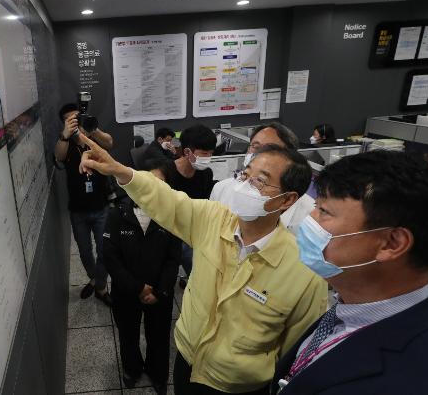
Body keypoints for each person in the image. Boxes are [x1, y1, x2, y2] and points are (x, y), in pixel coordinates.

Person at [79, 138, 328, 395]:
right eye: (245, 176)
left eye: (259, 181)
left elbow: (297, 350)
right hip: (188, 361)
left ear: (287, 200)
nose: (244, 187)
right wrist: (121, 170)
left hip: (238, 385)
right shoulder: (214, 219)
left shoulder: (304, 272)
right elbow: (169, 201)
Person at [269, 151, 428, 395]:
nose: (309, 220)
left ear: (392, 243)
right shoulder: (352, 307)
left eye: (324, 211)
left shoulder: (414, 379)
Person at [104, 158, 182, 395]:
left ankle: (158, 374)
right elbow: (111, 258)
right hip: (126, 291)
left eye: (160, 182)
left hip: (160, 293)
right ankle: (131, 369)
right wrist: (137, 287)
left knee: (158, 336)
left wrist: (161, 291)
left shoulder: (172, 214)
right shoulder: (118, 213)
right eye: (148, 180)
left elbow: (173, 259)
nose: (152, 187)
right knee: (128, 334)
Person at [54, 102, 114, 306]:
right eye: (70, 119)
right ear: (64, 123)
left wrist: (91, 128)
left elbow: (109, 143)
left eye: (77, 117)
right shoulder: (65, 142)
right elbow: (59, 156)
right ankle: (94, 279)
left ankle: (101, 287)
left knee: (104, 250)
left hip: (101, 207)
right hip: (78, 210)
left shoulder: (92, 138)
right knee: (85, 250)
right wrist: (65, 134)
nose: (75, 121)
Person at [210, 123, 316, 236]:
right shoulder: (222, 188)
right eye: (255, 147)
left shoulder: (310, 210)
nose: (259, 155)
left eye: (270, 150)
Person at [167, 124, 216, 288]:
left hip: (191, 231)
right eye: (204, 153)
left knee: (196, 272)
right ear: (187, 152)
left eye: (211, 153)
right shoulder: (167, 172)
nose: (208, 157)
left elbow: (204, 203)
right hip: (168, 230)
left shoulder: (205, 173)